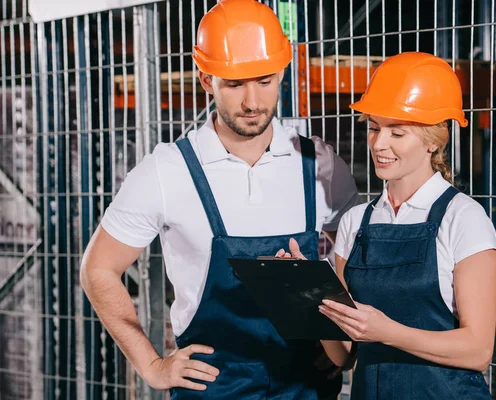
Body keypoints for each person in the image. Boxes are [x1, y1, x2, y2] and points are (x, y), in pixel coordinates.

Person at [80, 0, 358, 398]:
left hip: (306, 386)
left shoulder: (321, 165)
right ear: (206, 79)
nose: (252, 102)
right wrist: (152, 366)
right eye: (234, 84)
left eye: (264, 81)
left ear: (282, 70)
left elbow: (357, 265)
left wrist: (339, 345)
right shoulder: (167, 171)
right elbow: (98, 269)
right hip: (212, 388)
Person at [284, 51, 496, 399]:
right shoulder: (355, 223)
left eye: (397, 133)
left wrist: (387, 332)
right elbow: (343, 355)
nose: (378, 144)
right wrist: (308, 293)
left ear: (433, 141)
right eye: (373, 128)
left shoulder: (464, 219)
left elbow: (478, 351)